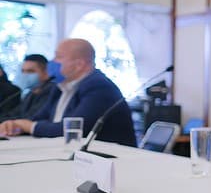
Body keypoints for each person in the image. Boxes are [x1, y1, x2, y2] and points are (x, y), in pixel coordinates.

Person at [0, 38, 136, 146]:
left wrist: (27, 126)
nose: (52, 62)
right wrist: (15, 125)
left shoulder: (99, 87)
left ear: (79, 65)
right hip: (65, 151)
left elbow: (72, 129)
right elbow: (37, 118)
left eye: (58, 56)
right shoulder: (60, 86)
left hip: (110, 160)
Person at [0, 54, 57, 122]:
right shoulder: (31, 93)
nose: (25, 75)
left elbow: (30, 117)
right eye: (23, 71)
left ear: (46, 73)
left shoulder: (52, 92)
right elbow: (13, 114)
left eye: (30, 71)